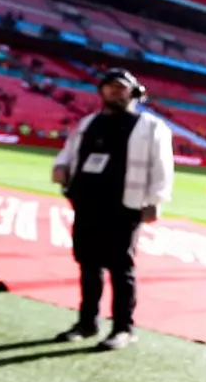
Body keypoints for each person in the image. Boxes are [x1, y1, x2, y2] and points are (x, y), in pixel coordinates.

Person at [51, 68, 174, 351]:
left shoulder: (151, 126)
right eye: (110, 87)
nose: (115, 91)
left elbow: (162, 167)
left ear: (133, 92)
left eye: (121, 87)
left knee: (121, 268)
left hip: (125, 204)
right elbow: (70, 151)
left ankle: (123, 328)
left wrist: (155, 201)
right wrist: (60, 166)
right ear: (102, 91)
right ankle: (87, 322)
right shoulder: (88, 122)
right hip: (87, 202)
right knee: (88, 264)